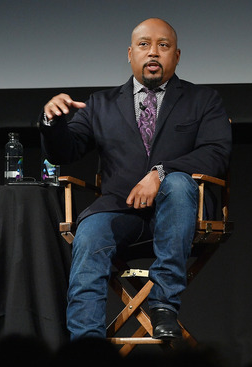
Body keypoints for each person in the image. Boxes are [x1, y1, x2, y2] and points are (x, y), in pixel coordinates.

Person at [40, 18, 232, 341]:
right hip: (121, 210)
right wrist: (52, 122)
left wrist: (160, 173)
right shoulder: (101, 104)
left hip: (181, 212)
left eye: (163, 45)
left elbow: (216, 153)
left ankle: (163, 304)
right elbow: (65, 151)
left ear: (178, 56)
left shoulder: (203, 101)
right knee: (89, 232)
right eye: (144, 45)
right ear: (130, 54)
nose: (153, 53)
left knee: (179, 183)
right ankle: (85, 342)